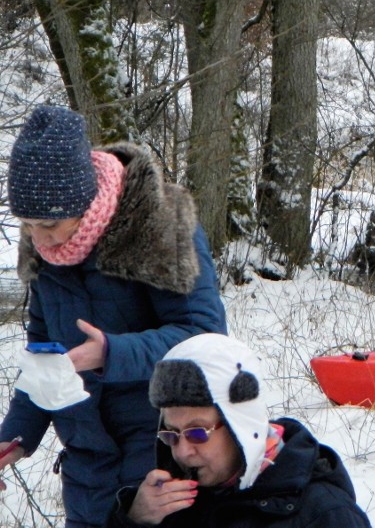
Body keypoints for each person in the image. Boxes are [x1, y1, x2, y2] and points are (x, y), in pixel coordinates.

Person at [0, 105, 227, 528]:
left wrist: (111, 352)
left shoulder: (160, 224)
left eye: (48, 224)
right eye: (26, 224)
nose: (38, 238)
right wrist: (15, 437)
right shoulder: (44, 246)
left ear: (84, 202)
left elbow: (205, 337)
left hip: (160, 451)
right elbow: (45, 355)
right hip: (87, 465)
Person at [106, 333, 373, 528]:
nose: (183, 451)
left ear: (240, 425)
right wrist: (135, 520)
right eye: (171, 434)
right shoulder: (172, 504)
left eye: (197, 432)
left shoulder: (324, 514)